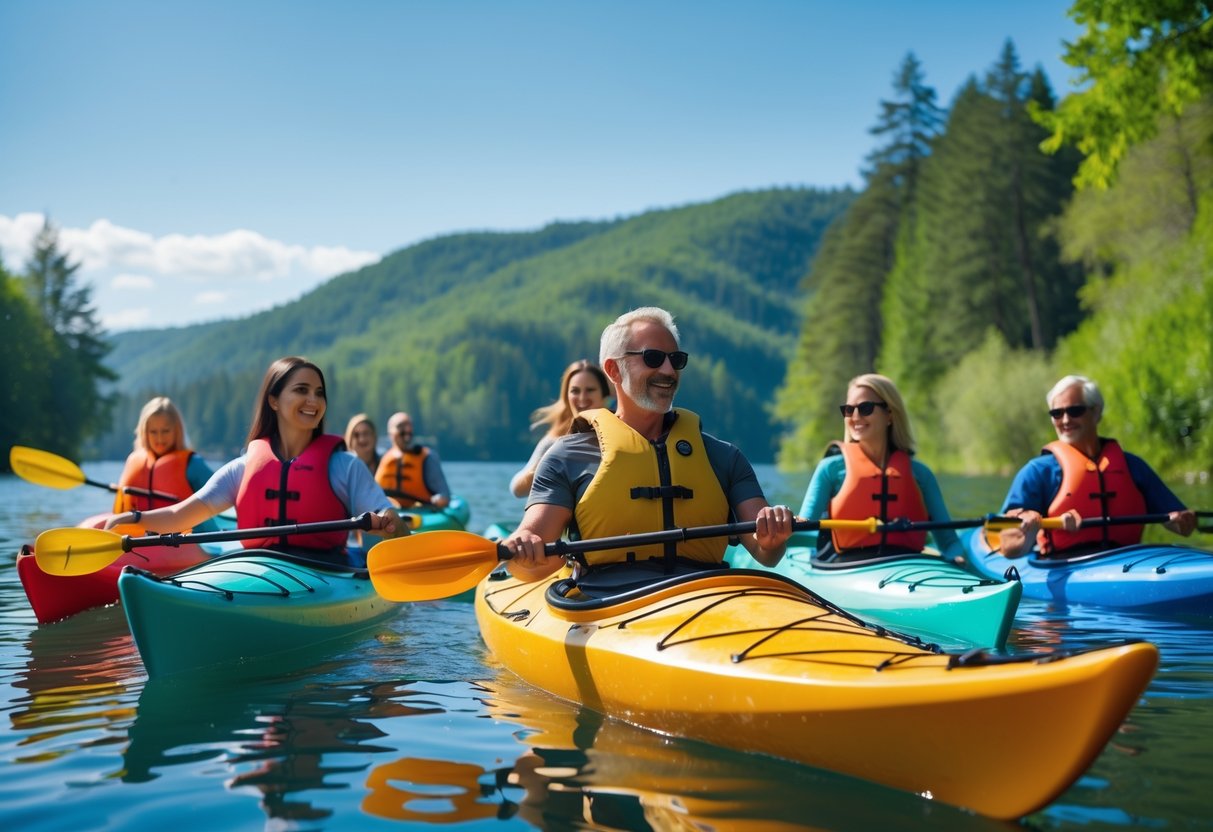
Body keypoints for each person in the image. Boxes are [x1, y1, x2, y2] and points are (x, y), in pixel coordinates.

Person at [502, 306, 793, 583]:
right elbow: (530, 553)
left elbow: (766, 553)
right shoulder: (566, 456)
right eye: (653, 358)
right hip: (606, 600)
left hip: (703, 594)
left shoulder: (725, 457)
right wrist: (526, 548)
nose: (669, 370)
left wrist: (772, 536)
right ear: (613, 370)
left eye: (676, 360)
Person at [104, 356, 404, 560]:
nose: (313, 400)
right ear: (273, 400)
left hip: (327, 571)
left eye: (319, 392)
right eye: (301, 390)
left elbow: (393, 523)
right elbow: (179, 516)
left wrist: (390, 520)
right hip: (260, 568)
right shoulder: (243, 468)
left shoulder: (344, 466)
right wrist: (132, 518)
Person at [996, 374, 1196, 558]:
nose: (1065, 420)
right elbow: (1008, 547)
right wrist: (1027, 522)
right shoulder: (1038, 472)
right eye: (1057, 413)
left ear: (1096, 412)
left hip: (1129, 561)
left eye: (1075, 411)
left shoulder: (1133, 467)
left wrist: (1180, 520)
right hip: (1062, 563)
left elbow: (1183, 528)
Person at [796, 374, 966, 563]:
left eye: (865, 408)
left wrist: (957, 559)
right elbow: (804, 532)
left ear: (890, 414)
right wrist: (780, 530)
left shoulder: (921, 475)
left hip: (908, 566)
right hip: (847, 567)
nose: (855, 417)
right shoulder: (830, 469)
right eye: (848, 409)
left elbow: (949, 542)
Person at [115, 396, 220, 532]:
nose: (160, 438)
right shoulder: (133, 461)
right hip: (138, 539)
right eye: (153, 432)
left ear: (177, 431)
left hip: (191, 540)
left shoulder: (192, 463)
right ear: (144, 433)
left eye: (165, 431)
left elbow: (222, 492)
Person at [509, 359, 612, 498]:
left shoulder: (619, 433)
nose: (582, 397)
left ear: (604, 394)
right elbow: (517, 489)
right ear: (566, 396)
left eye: (590, 390)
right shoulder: (555, 441)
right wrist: (546, 465)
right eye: (575, 391)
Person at [375, 411, 452, 509]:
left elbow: (444, 496)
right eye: (401, 426)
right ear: (390, 433)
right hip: (389, 512)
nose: (407, 430)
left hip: (420, 514)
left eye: (409, 426)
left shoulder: (428, 458)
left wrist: (435, 501)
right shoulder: (382, 457)